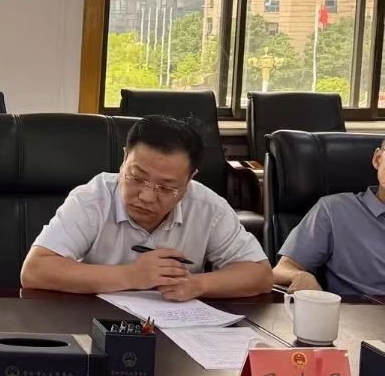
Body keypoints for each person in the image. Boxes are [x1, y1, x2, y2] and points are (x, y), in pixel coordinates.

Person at [20, 115, 271, 300]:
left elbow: (260, 274)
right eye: (137, 178)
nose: (147, 196)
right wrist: (132, 275)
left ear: (189, 179)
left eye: (167, 187)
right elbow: (35, 270)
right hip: (96, 322)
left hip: (178, 329)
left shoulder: (208, 207)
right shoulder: (91, 199)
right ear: (124, 159)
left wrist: (197, 284)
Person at [273, 139, 385, 297]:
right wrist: (299, 276)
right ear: (378, 159)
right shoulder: (334, 210)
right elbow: (281, 270)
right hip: (360, 309)